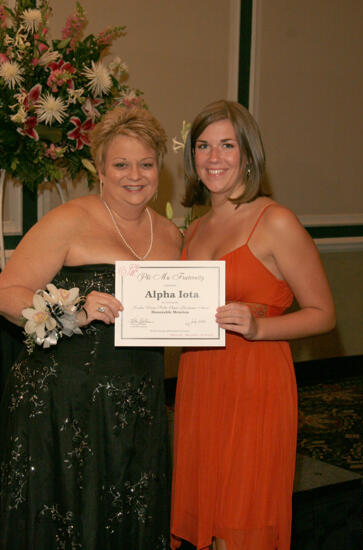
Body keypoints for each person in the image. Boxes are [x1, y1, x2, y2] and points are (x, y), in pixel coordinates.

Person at [0, 106, 182, 549]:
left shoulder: (173, 236)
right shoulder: (70, 219)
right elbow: (7, 291)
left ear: (159, 169)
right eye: (120, 164)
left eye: (145, 163)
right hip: (62, 401)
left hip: (138, 401)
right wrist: (73, 312)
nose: (133, 175)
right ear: (100, 170)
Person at [170, 100, 336, 550]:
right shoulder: (196, 228)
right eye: (203, 146)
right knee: (208, 516)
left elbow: (323, 314)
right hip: (200, 380)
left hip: (254, 382)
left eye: (227, 144)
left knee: (242, 518)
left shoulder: (275, 221)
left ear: (248, 153)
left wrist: (259, 327)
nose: (213, 157)